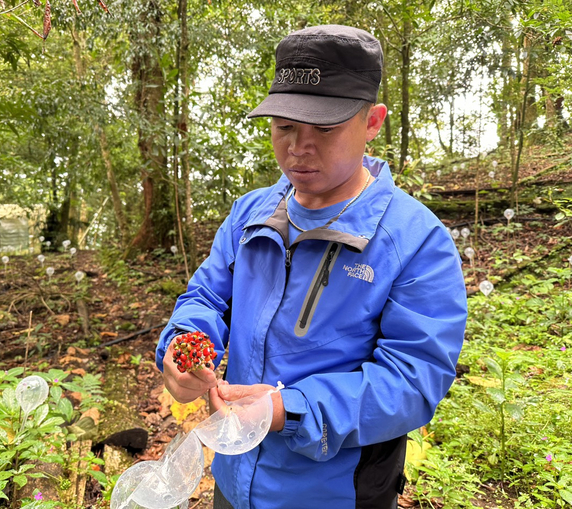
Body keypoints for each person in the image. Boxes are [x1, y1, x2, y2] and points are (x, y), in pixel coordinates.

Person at [156, 24, 467, 509]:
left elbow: (414, 377)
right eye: (284, 127)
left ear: (372, 122)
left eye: (324, 128)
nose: (299, 147)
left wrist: (288, 409)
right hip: (234, 478)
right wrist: (181, 346)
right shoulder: (250, 214)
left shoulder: (414, 240)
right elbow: (205, 297)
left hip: (336, 491)